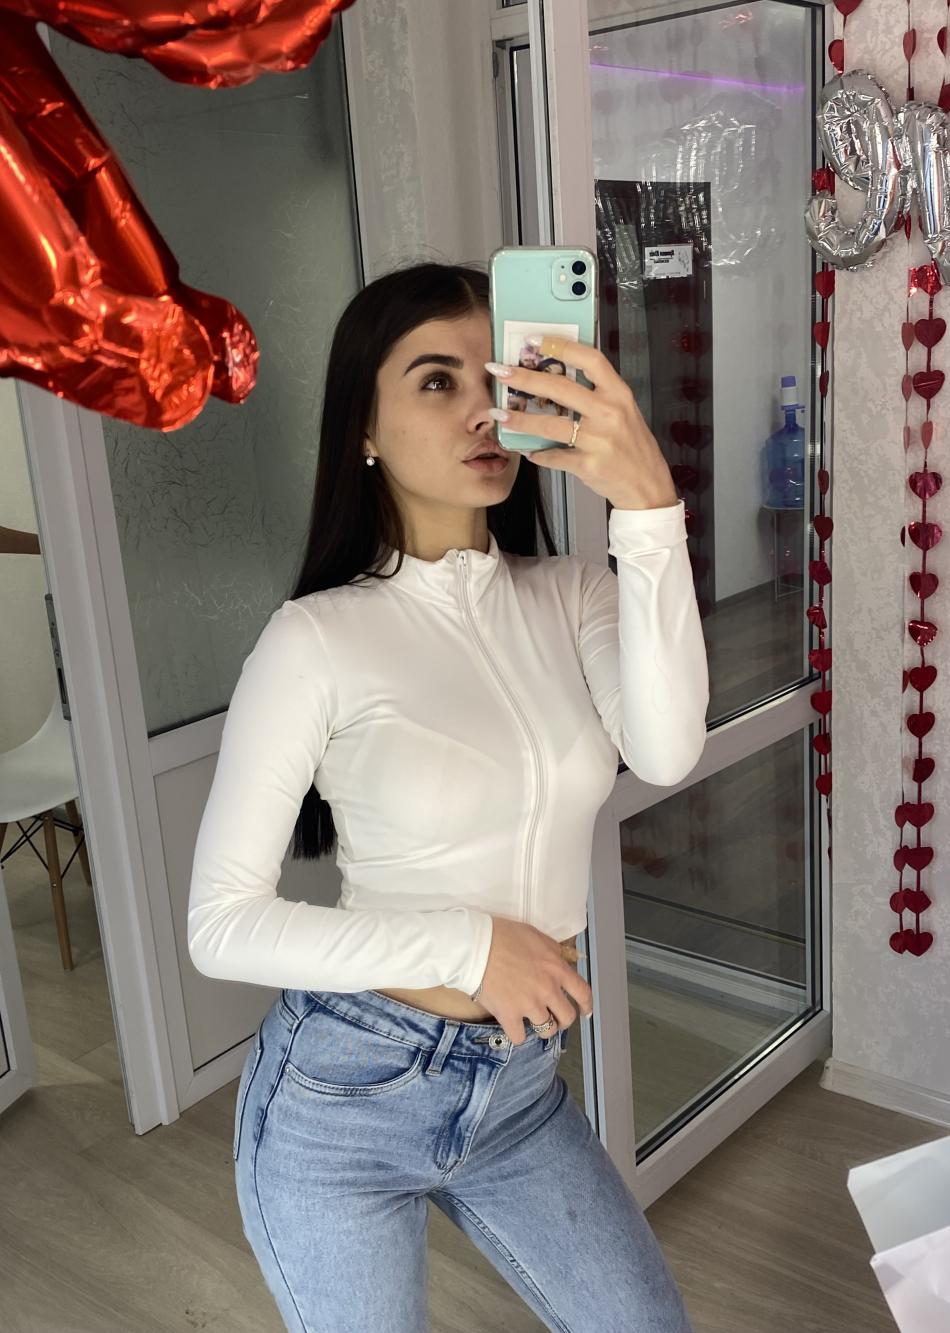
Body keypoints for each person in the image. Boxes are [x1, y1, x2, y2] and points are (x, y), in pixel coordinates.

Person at [187, 261, 708, 1332]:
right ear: (363, 429)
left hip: (516, 1087)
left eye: (500, 376)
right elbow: (220, 925)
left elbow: (664, 751)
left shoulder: (573, 593)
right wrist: (469, 947)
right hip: (345, 1095)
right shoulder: (315, 638)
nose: (483, 408)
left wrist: (649, 505)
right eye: (437, 380)